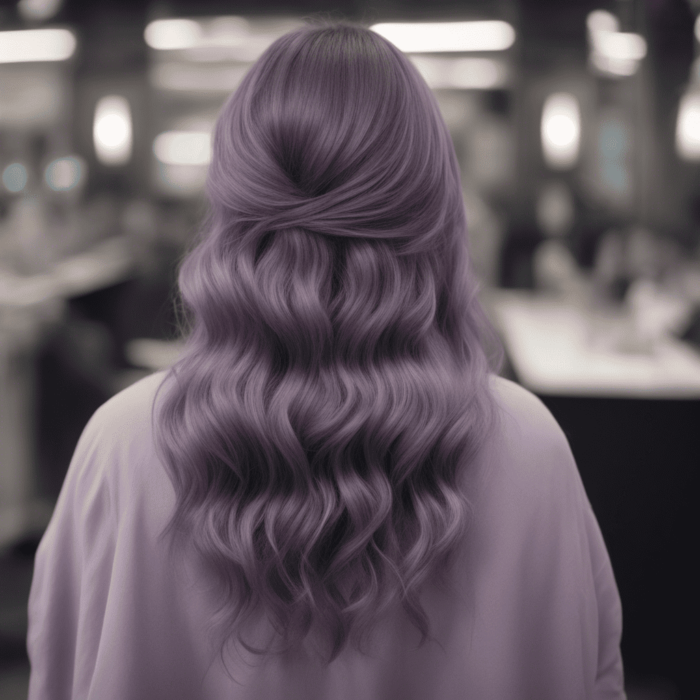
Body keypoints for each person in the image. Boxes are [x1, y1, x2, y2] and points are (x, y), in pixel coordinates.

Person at [27, 21, 624, 699]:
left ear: (231, 202)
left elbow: (59, 674)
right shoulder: (528, 446)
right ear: (434, 209)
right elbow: (590, 677)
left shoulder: (120, 445)